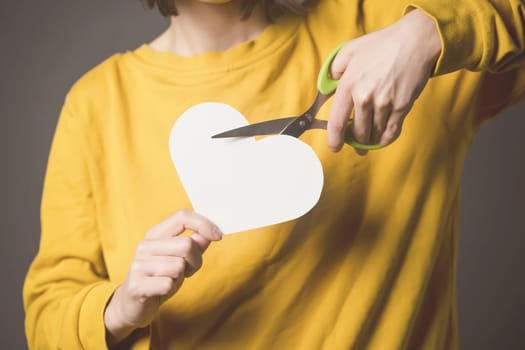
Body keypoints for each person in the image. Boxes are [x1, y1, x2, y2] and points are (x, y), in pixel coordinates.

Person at [23, 0, 525, 348]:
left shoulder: (392, 27)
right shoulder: (98, 104)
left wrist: (427, 33)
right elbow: (47, 317)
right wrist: (120, 306)